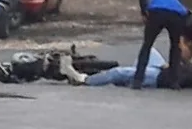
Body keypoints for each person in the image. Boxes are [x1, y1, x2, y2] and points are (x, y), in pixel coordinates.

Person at [59, 27, 192, 88]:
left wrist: (177, 68)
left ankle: (84, 80)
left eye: (181, 45)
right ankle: (130, 78)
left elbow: (183, 77)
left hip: (159, 78)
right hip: (164, 70)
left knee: (118, 72)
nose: (178, 49)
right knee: (149, 52)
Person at [132, 0, 190, 89]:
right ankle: (174, 82)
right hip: (176, 15)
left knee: (147, 46)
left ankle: (138, 80)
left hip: (156, 12)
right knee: (175, 47)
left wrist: (144, 12)